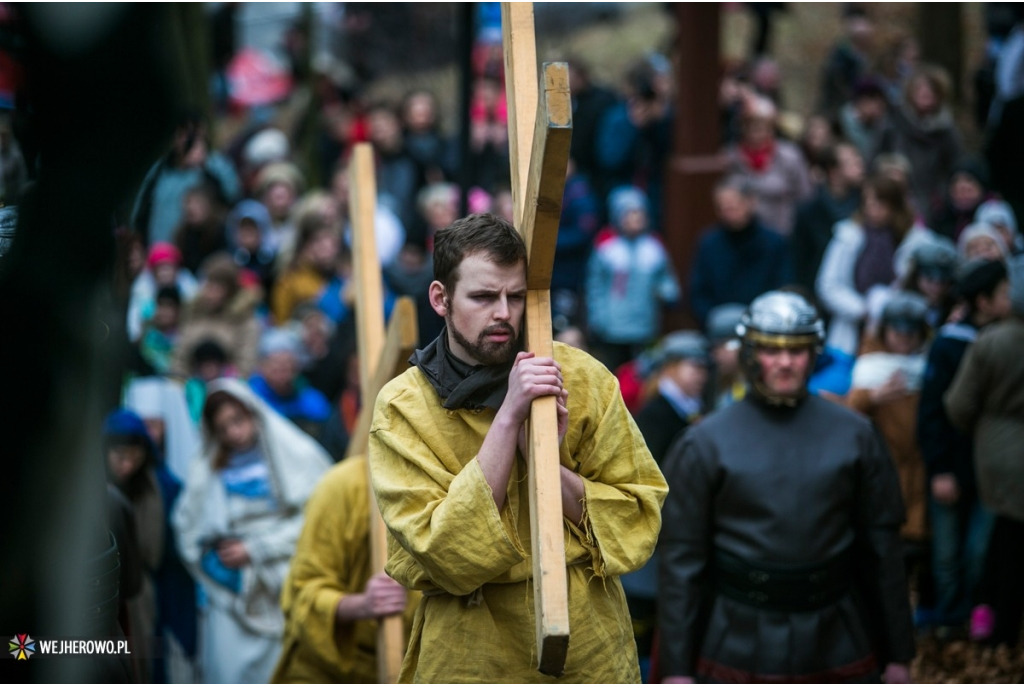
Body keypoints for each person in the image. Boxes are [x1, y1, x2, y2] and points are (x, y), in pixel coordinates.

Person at [368, 213, 668, 682]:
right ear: (440, 298)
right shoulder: (403, 406)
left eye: (516, 296)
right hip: (471, 649)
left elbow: (638, 518)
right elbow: (445, 549)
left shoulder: (582, 377)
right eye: (484, 297)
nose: (504, 313)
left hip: (586, 641)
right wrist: (508, 419)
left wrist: (545, 455)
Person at [659, 291, 915, 683]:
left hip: (837, 633)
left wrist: (898, 655)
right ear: (748, 354)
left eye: (796, 350)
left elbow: (882, 552)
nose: (784, 362)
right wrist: (676, 670)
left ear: (813, 355)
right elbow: (682, 563)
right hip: (733, 634)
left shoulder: (857, 435)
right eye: (770, 350)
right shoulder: (704, 443)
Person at [172, 379, 331, 684]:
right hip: (233, 594)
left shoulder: (295, 452)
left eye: (238, 421)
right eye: (223, 428)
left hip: (288, 577)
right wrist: (215, 559)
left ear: (252, 413)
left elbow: (320, 517)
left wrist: (258, 548)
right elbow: (188, 529)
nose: (234, 433)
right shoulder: (205, 469)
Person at [917, 258, 1011, 636]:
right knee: (946, 552)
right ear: (983, 301)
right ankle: (950, 617)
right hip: (952, 465)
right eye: (1003, 292)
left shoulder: (1009, 339)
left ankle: (975, 614)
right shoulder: (949, 344)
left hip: (991, 466)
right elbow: (933, 412)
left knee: (980, 551)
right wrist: (939, 467)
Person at [271, 453, 416, 683]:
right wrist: (362, 605)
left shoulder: (458, 482)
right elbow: (302, 593)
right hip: (330, 671)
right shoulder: (343, 485)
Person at [944, 255, 1024, 648]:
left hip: (997, 451)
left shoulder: (991, 342)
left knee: (1001, 543)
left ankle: (998, 625)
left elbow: (958, 405)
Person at [586, 186, 681, 370]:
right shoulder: (607, 248)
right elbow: (594, 286)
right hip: (612, 326)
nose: (635, 220)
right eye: (629, 214)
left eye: (639, 214)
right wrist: (597, 318)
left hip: (645, 325)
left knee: (643, 370)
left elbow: (667, 279)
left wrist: (668, 292)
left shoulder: (654, 248)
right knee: (613, 369)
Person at [689, 177, 793, 328]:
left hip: (764, 328)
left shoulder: (774, 243)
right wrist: (715, 322)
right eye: (722, 208)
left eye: (734, 206)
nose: (728, 213)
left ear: (751, 202)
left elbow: (783, 288)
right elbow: (698, 294)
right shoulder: (708, 243)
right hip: (720, 331)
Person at [792, 142, 865, 292]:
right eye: (852, 162)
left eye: (859, 159)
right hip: (817, 293)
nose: (860, 164)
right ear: (833, 171)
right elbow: (800, 264)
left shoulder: (867, 206)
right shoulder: (809, 213)